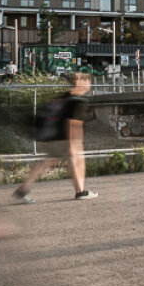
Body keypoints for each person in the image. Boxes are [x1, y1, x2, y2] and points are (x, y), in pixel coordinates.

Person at [14, 71, 98, 203]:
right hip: (61, 138)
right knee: (77, 158)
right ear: (80, 83)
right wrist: (74, 147)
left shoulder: (63, 97)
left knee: (47, 161)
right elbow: (74, 125)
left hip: (47, 136)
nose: (89, 85)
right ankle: (80, 191)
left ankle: (22, 190)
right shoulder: (77, 101)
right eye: (87, 81)